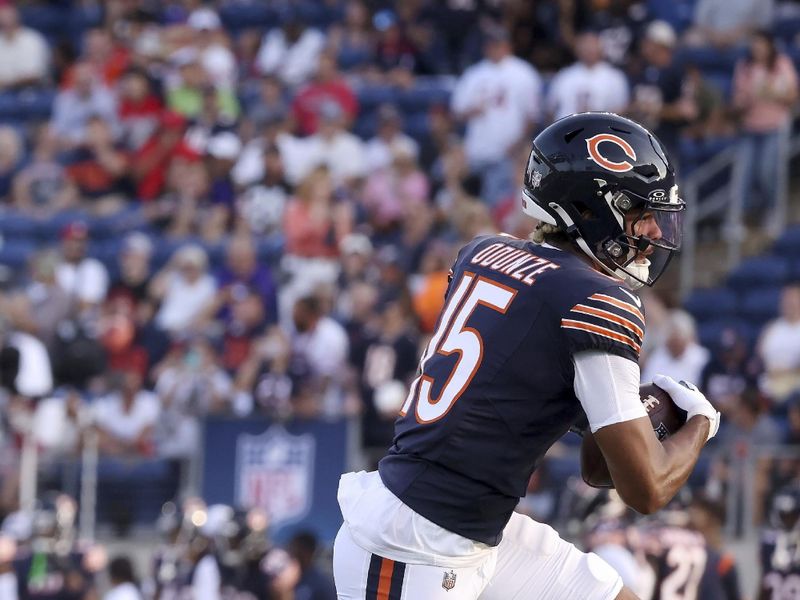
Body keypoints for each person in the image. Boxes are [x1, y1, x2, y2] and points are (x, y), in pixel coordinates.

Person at [333, 112, 720, 599]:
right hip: (416, 544)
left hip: (469, 524)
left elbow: (598, 468)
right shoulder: (597, 301)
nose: (655, 232)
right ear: (588, 208)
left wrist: (628, 407)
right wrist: (702, 421)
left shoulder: (484, 252)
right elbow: (647, 489)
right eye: (639, 213)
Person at [758, 485, 800, 600]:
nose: (787, 520)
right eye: (784, 516)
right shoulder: (769, 543)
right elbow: (764, 582)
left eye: (792, 516)